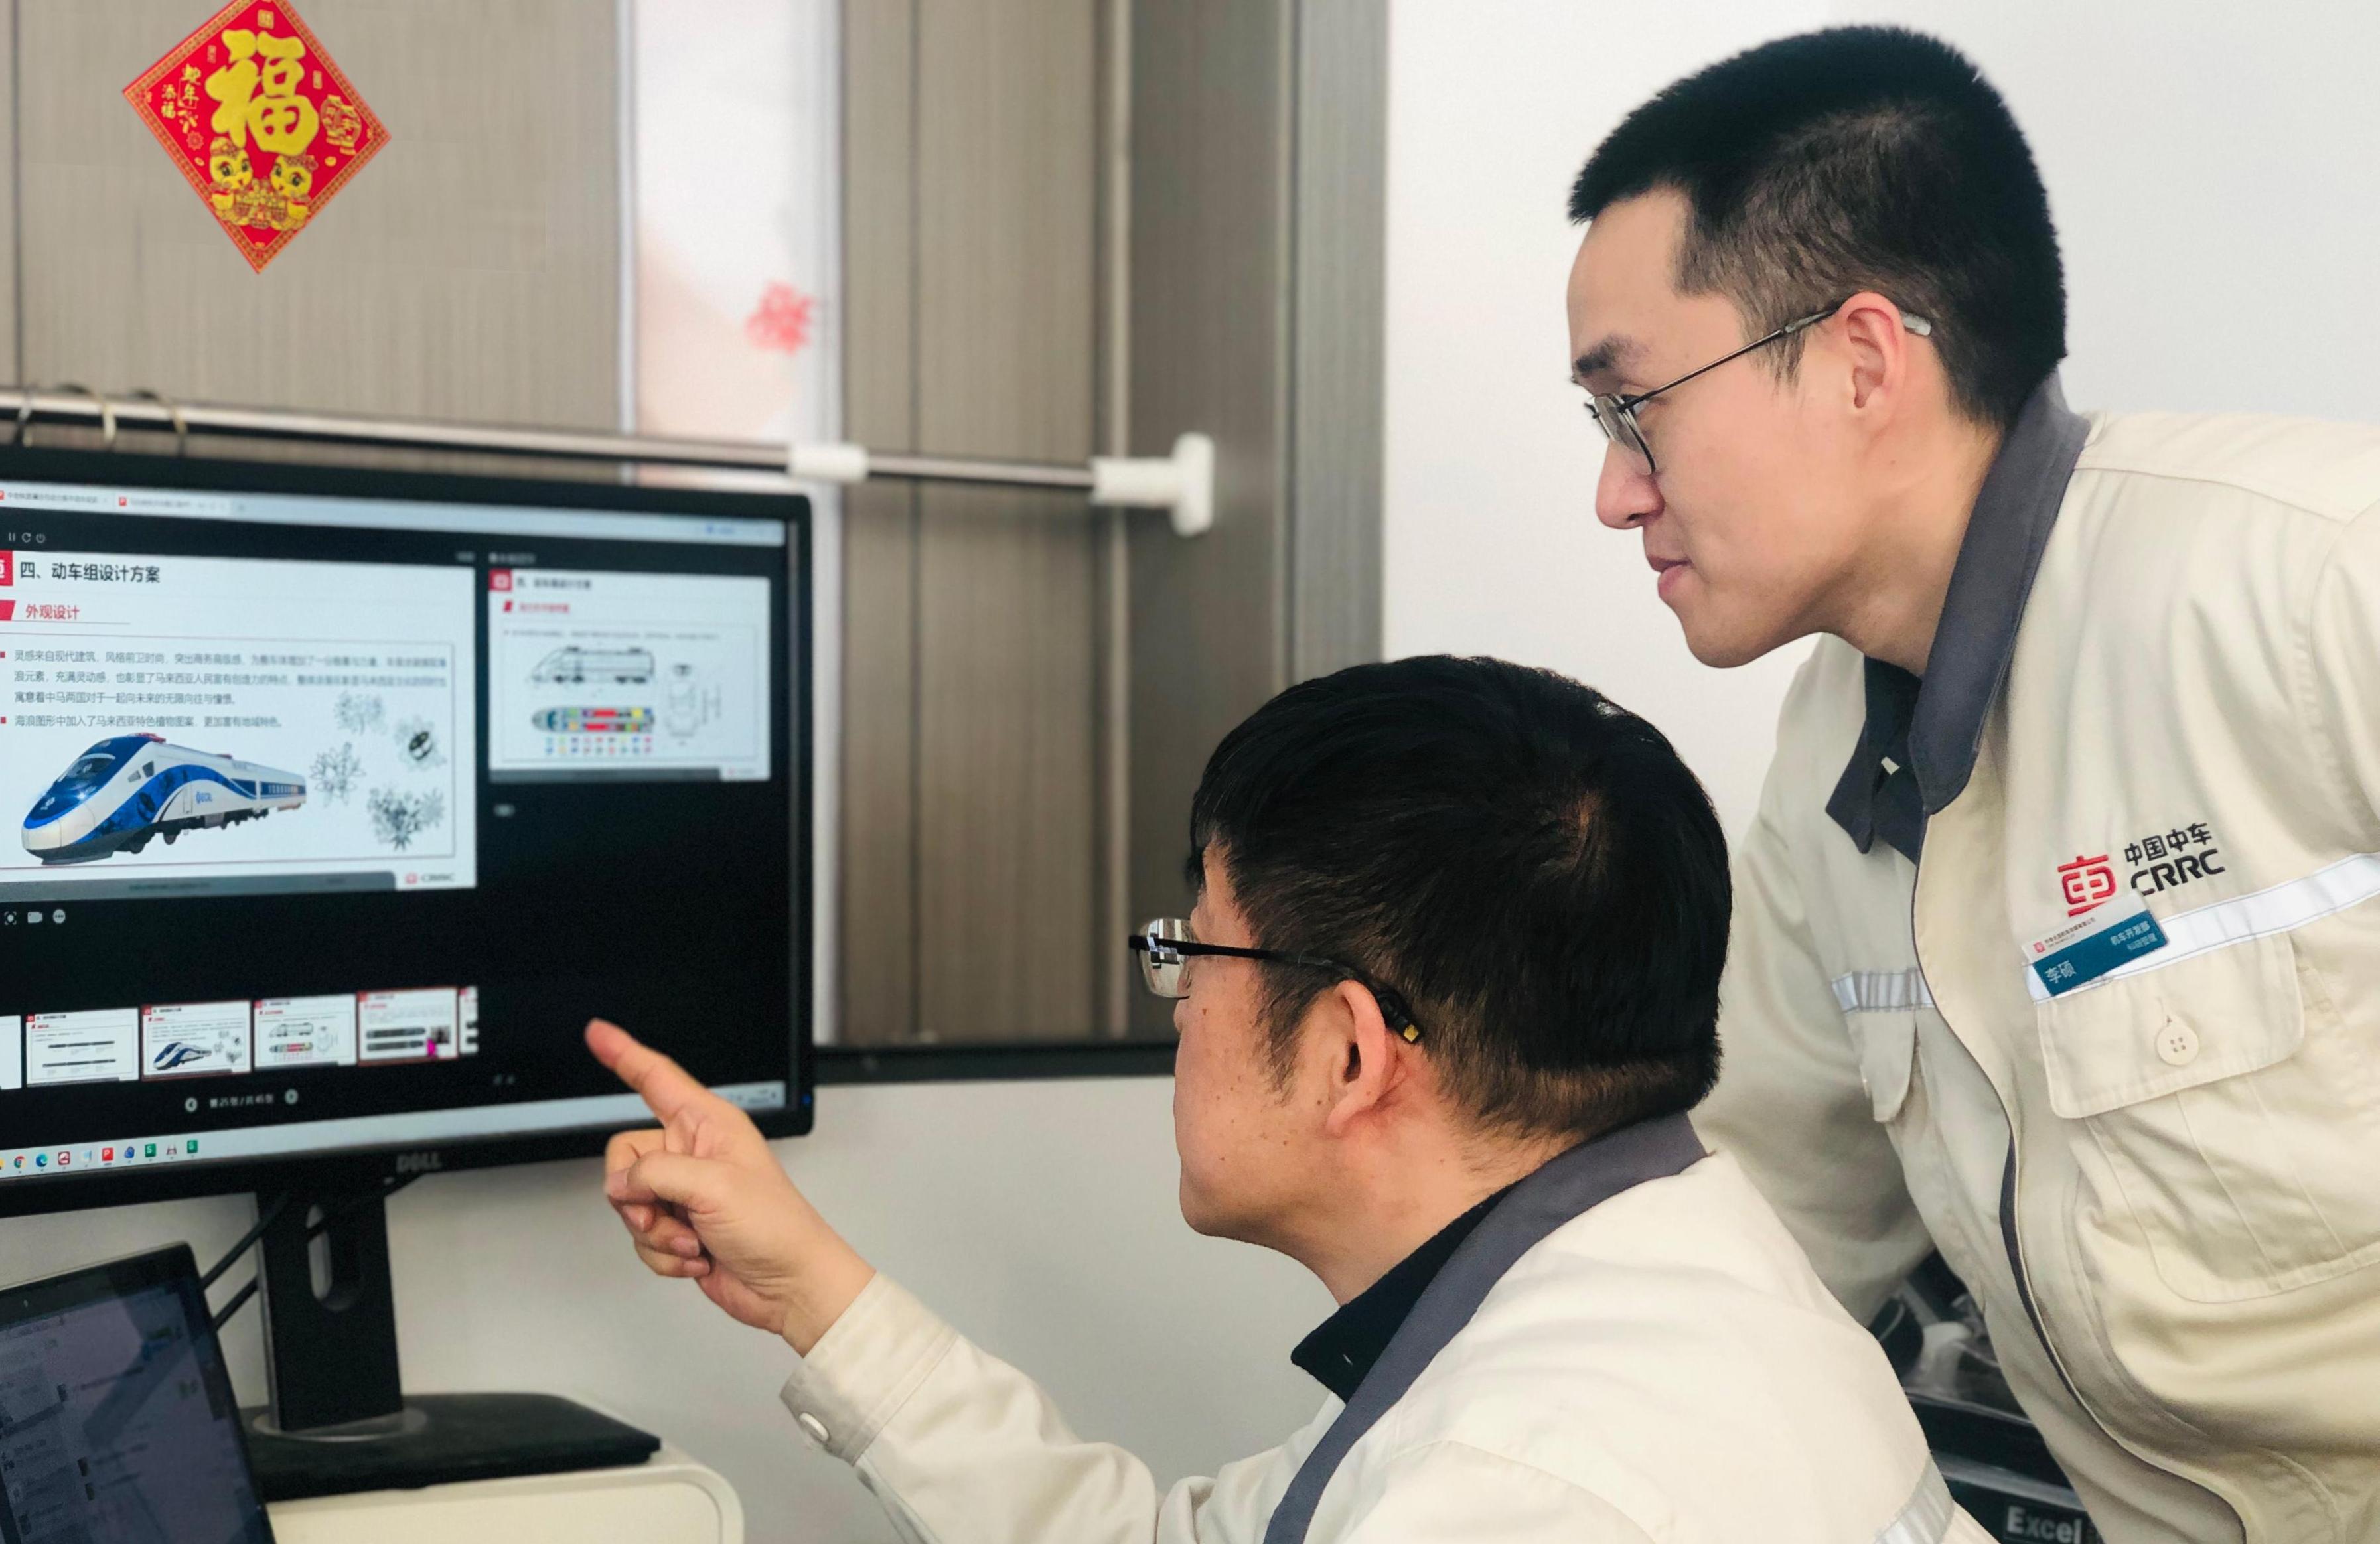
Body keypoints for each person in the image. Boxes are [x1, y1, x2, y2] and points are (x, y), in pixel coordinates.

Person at [1564, 26, 2380, 1544]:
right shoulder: (1828, 766)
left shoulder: (2322, 582)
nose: (1615, 490)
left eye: (1638, 407)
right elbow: (1757, 1233)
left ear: (1864, 361)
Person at [588, 656, 1981, 1544]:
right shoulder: (1657, 1281)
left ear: (1350, 1054)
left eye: (1191, 951)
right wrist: (813, 1292)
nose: (1177, 1005)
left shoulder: (1515, 1485)